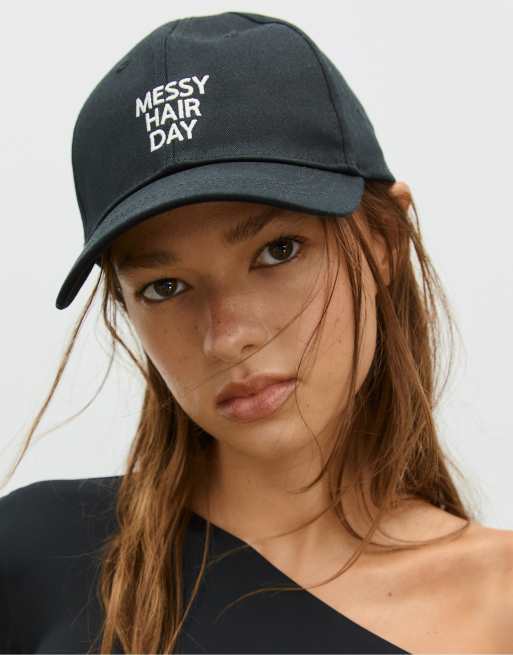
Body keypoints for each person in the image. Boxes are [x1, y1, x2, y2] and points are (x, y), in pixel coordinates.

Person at [1, 10, 512, 655]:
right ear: (124, 304)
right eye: (165, 287)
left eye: (278, 251)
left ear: (386, 242)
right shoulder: (35, 563)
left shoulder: (499, 604)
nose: (228, 337)